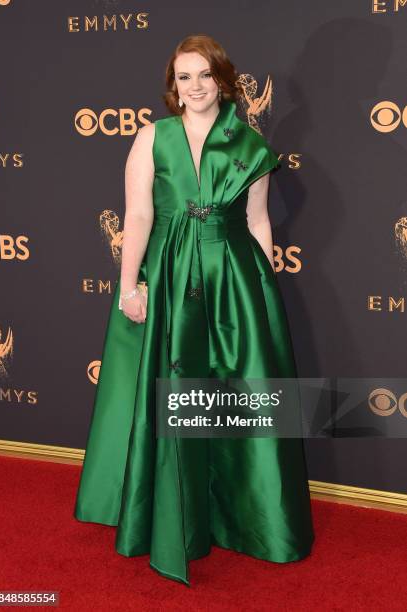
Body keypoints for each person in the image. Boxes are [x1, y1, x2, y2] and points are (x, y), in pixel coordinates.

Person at [74, 34, 315, 586]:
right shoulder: (152, 138)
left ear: (222, 79)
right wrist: (129, 284)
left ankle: (243, 517)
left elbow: (257, 221)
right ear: (172, 86)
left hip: (234, 278)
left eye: (205, 74)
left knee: (240, 394)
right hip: (166, 275)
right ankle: (167, 511)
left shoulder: (249, 144)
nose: (196, 86)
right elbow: (135, 216)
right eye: (184, 77)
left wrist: (263, 285)